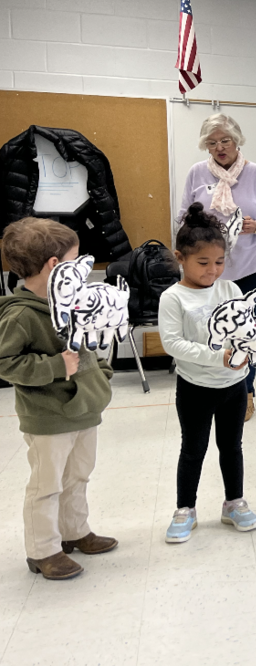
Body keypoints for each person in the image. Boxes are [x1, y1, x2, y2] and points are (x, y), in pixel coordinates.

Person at [0, 218, 117, 580]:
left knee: (77, 476)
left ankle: (74, 532)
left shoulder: (71, 304)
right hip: (49, 417)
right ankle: (43, 551)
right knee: (46, 485)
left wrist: (100, 372)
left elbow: (88, 343)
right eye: (76, 260)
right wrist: (55, 366)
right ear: (55, 266)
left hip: (84, 410)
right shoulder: (20, 315)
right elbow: (6, 362)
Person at [159, 203, 256, 543]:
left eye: (219, 262)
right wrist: (218, 356)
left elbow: (244, 330)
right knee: (193, 448)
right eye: (203, 263)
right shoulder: (173, 298)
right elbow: (174, 344)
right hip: (195, 388)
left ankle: (234, 503)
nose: (212, 270)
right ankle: (185, 509)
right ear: (180, 258)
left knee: (231, 447)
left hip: (233, 385)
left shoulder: (230, 290)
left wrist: (250, 351)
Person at [178, 114, 256, 421]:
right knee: (213, 331)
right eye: (211, 142)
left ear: (237, 140)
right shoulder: (197, 173)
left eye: (225, 140)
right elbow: (182, 216)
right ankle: (214, 387)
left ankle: (245, 392)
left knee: (245, 332)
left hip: (252, 265)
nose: (219, 147)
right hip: (210, 269)